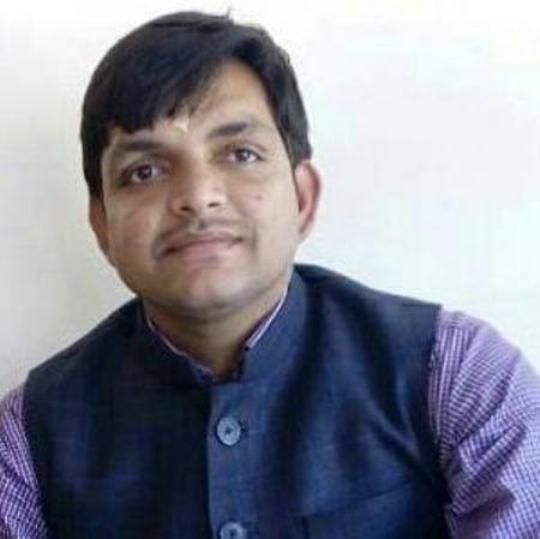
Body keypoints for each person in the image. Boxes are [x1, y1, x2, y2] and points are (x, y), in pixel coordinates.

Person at [1, 11, 539, 539]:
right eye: (145, 171)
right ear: (102, 226)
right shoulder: (27, 441)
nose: (198, 197)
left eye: (240, 153)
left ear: (302, 198)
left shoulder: (458, 374)